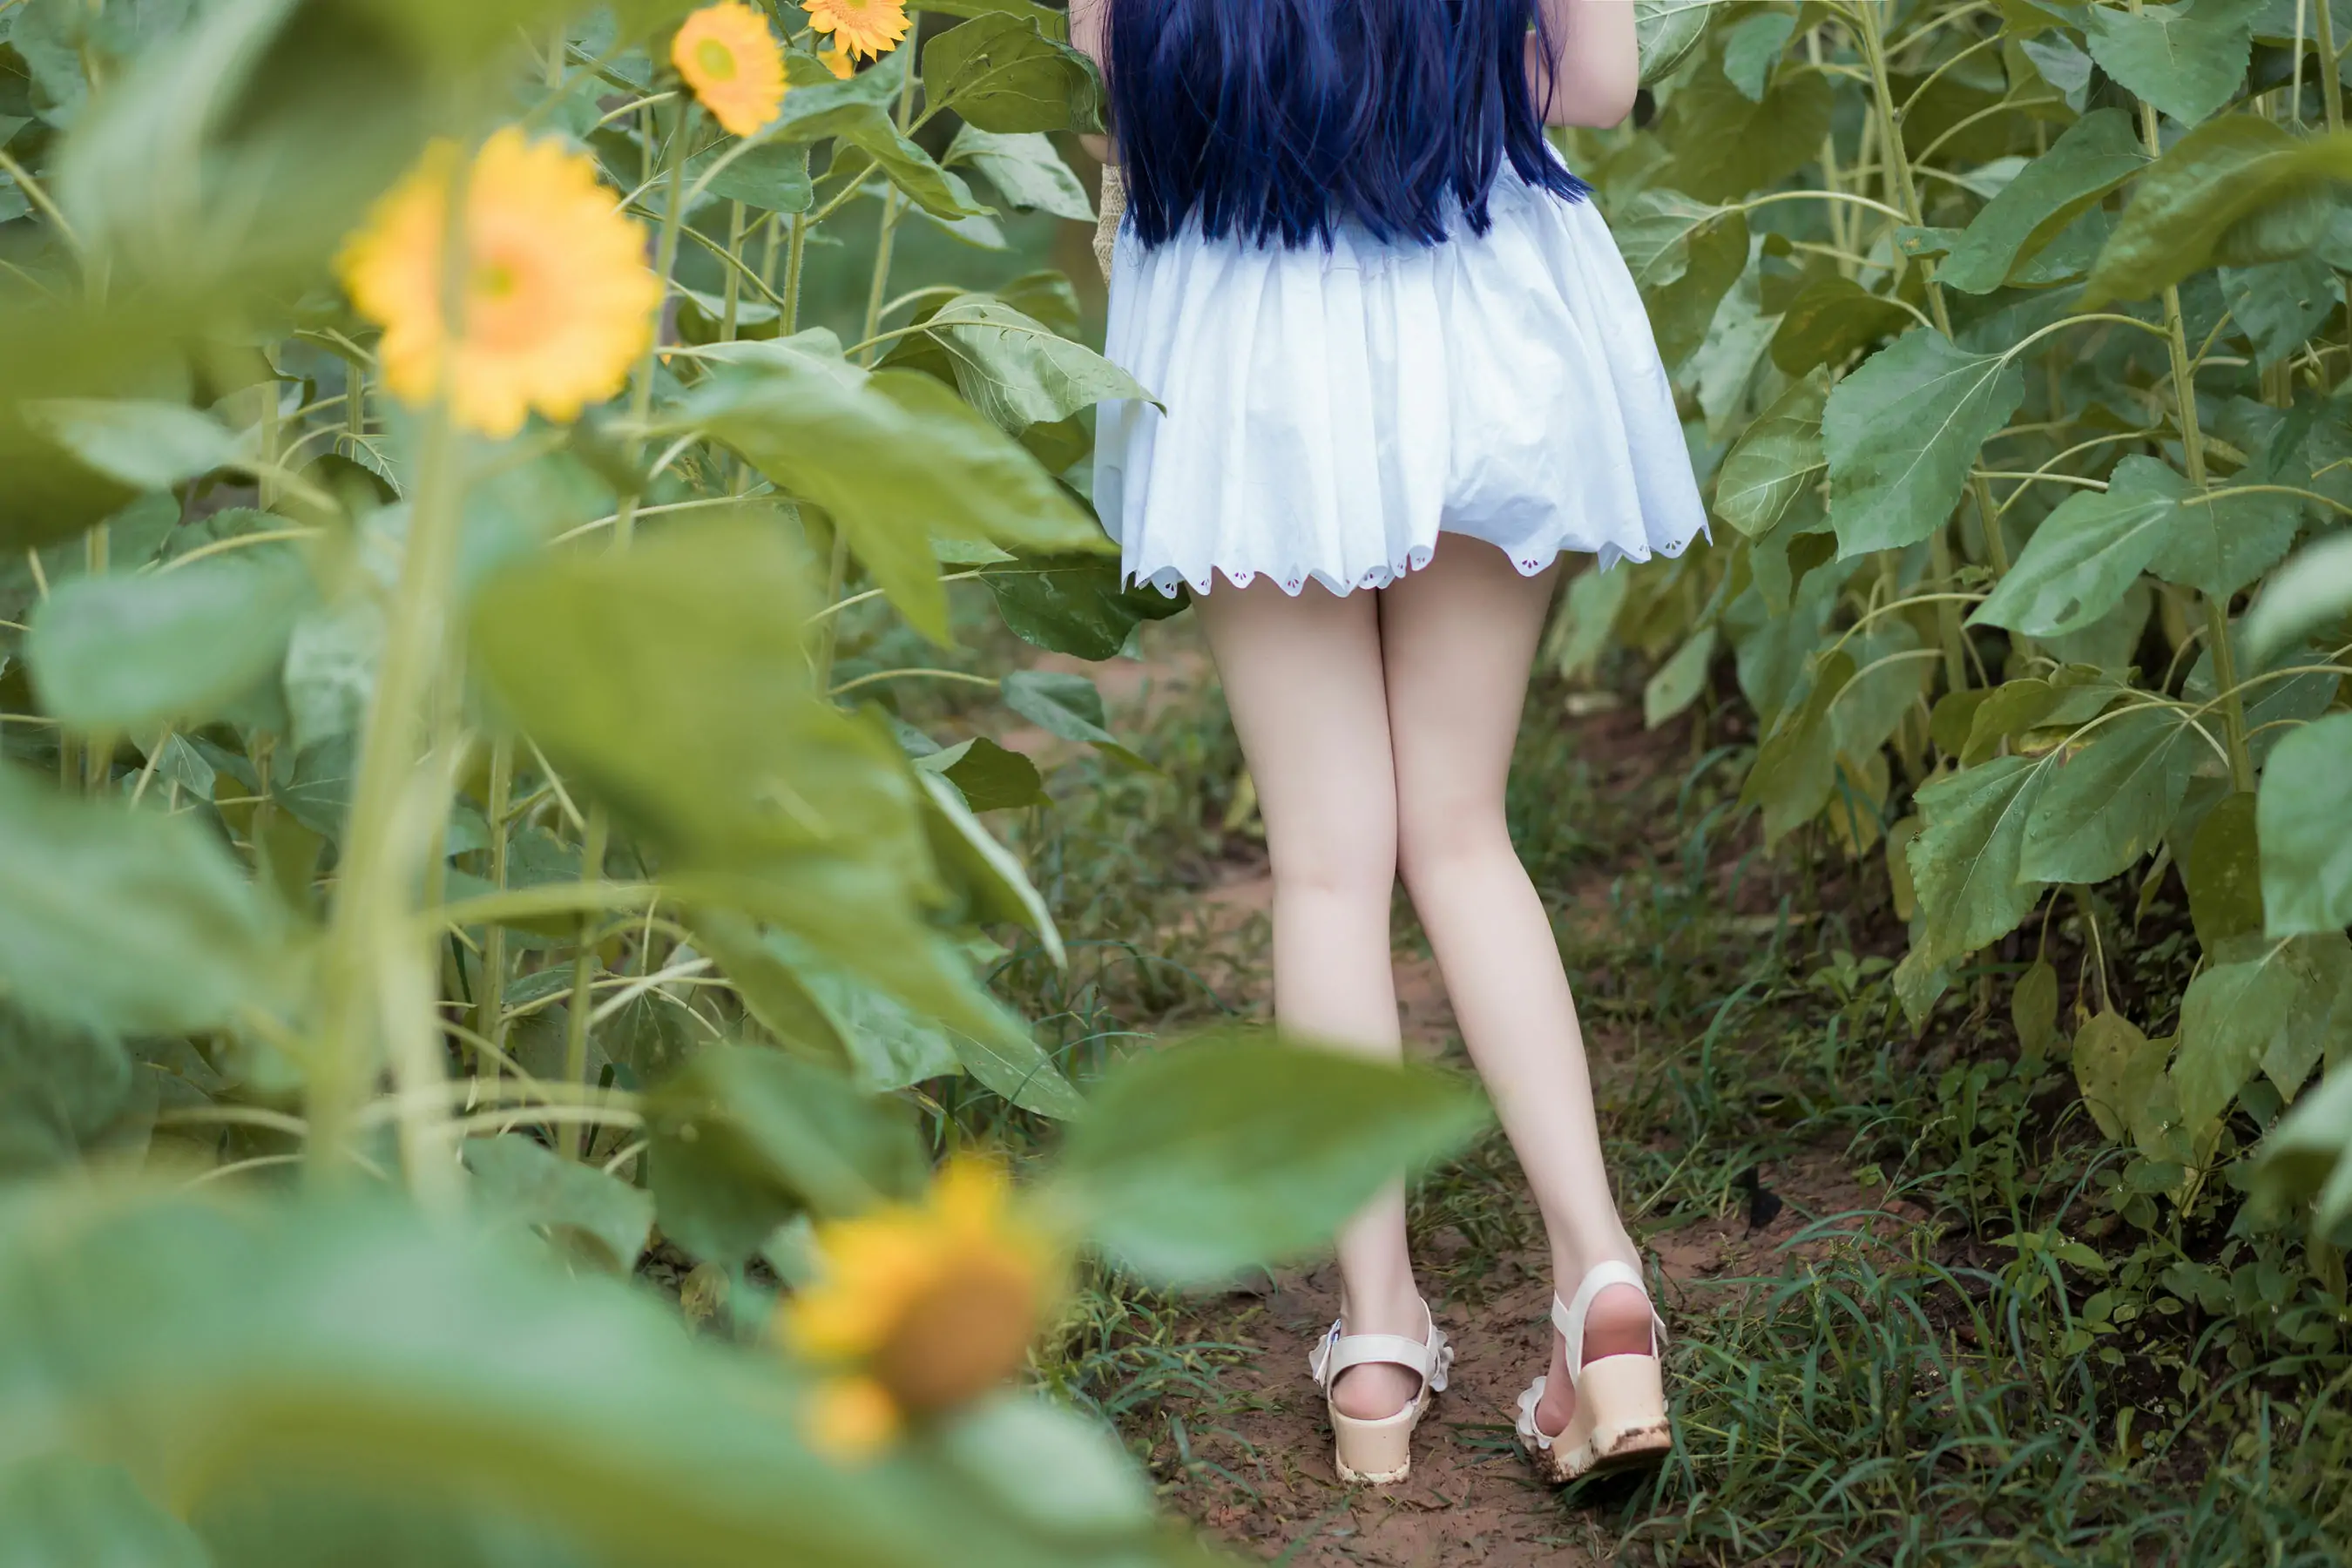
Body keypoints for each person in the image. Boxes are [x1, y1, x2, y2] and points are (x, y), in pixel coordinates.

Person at [1068, 0, 1707, 1487]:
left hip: (1248, 324)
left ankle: (1374, 1339)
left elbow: (1105, 76)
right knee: (1462, 834)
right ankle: (1603, 1286)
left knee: (1326, 865)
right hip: (1477, 285)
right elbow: (1601, 85)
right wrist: (1424, 77)